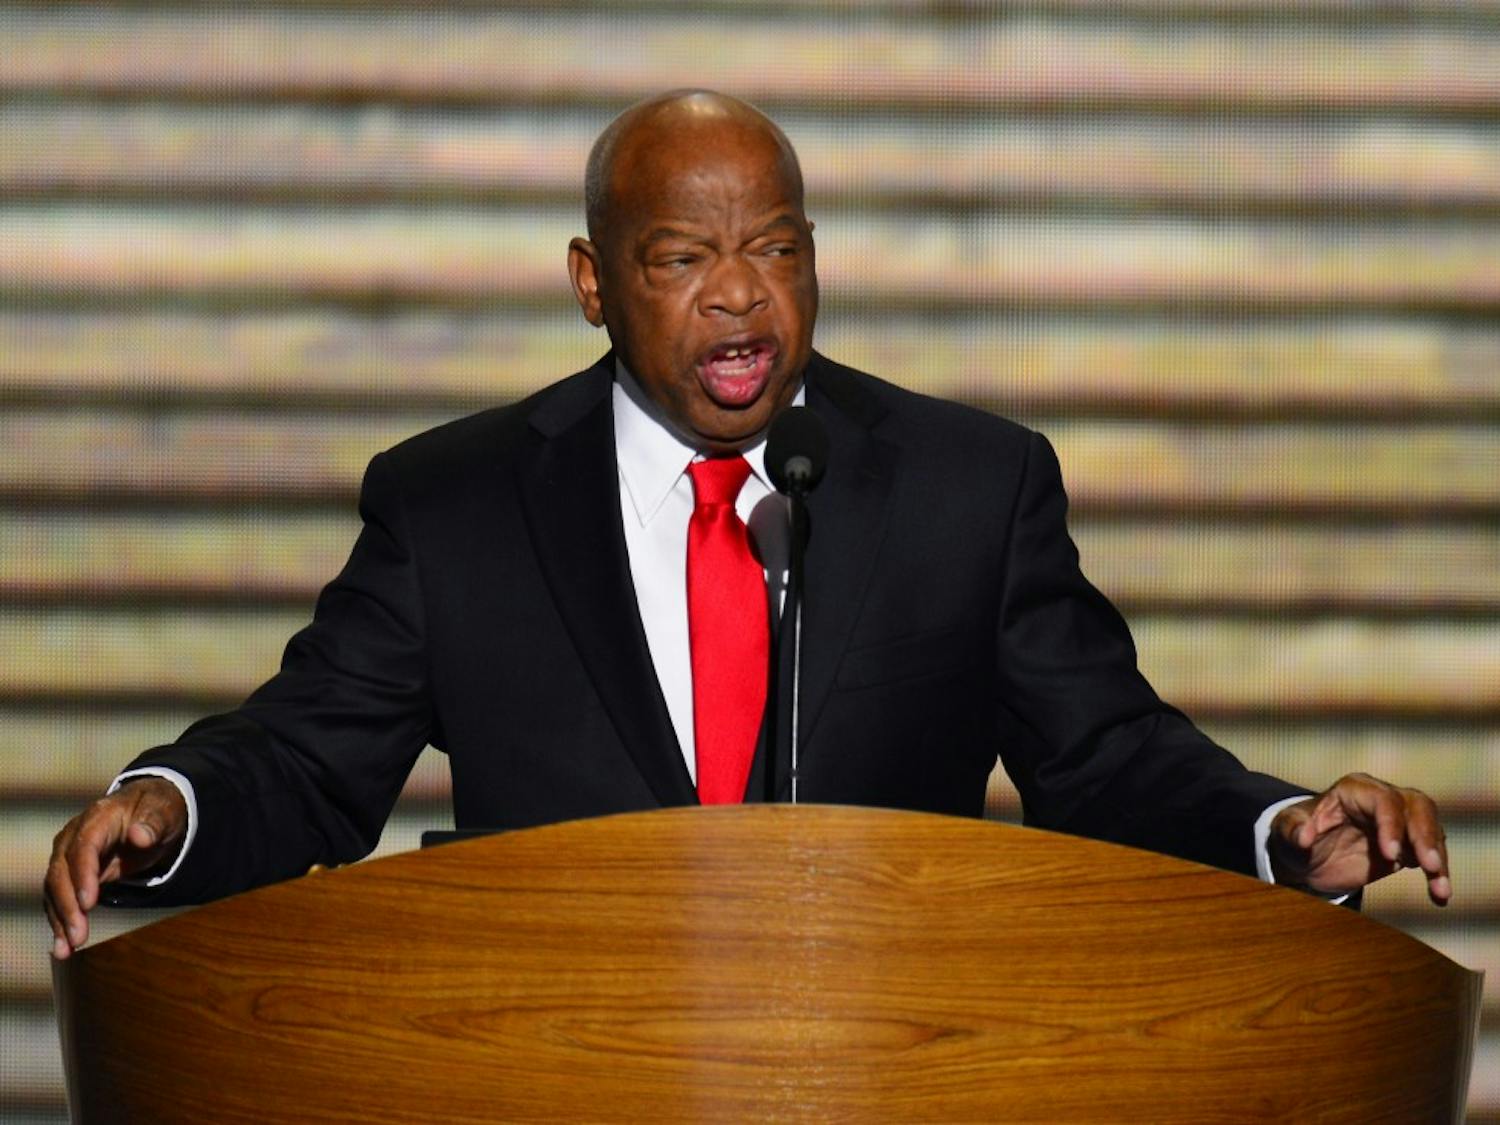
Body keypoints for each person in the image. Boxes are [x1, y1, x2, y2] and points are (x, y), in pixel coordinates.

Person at [45, 90, 1450, 961]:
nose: (739, 293)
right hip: (549, 1070)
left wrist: (1281, 830)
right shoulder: (456, 502)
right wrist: (168, 806)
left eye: (775, 246)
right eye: (684, 256)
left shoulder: (969, 484)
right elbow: (307, 759)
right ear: (593, 283)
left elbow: (1107, 759)